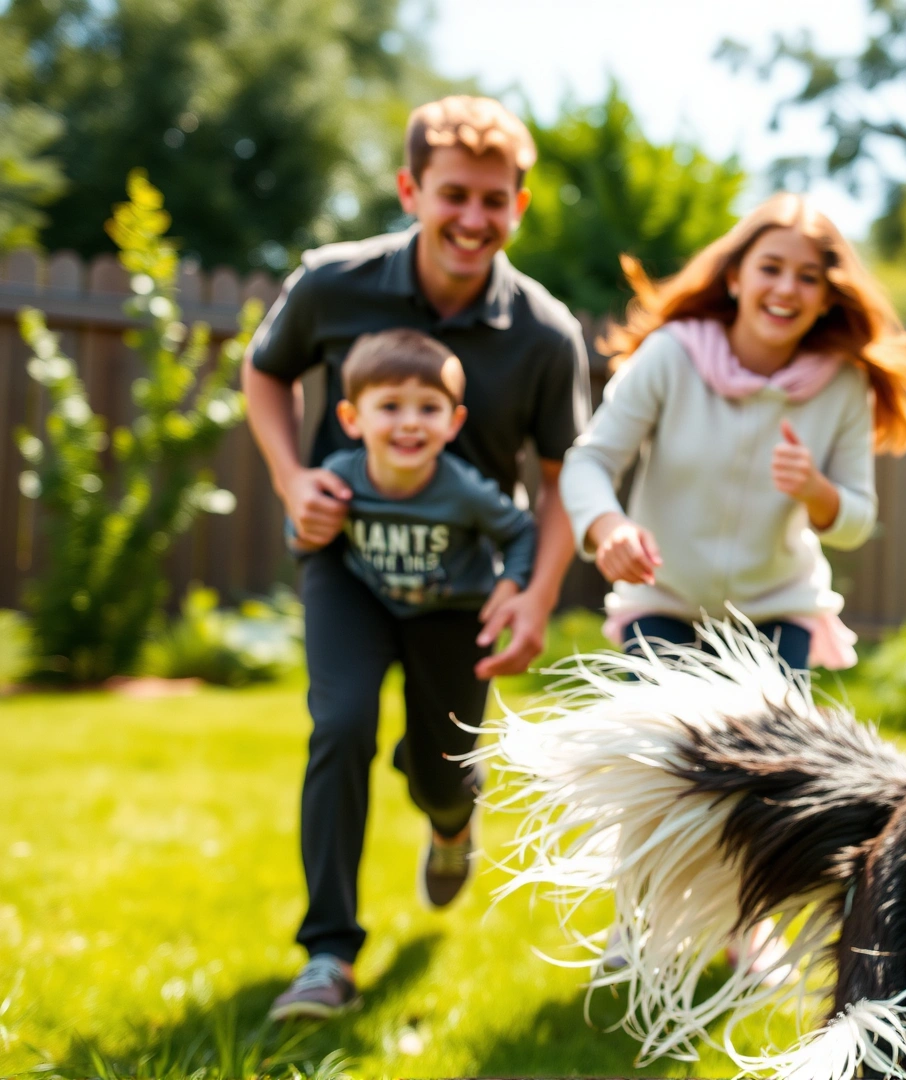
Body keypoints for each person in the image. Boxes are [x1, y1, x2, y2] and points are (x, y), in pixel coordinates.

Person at [242, 96, 588, 1020]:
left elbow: (563, 481)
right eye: (453, 196)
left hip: (465, 591)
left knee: (441, 767)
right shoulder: (331, 284)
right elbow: (264, 369)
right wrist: (290, 481)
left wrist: (535, 591)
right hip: (346, 563)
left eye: (494, 200)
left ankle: (449, 819)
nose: (473, 220)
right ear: (410, 189)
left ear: (519, 203)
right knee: (341, 725)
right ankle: (327, 956)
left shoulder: (545, 334)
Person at [561, 193, 906, 674]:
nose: (787, 288)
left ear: (827, 297)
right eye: (770, 268)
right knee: (663, 748)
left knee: (772, 752)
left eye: (808, 277)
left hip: (777, 612)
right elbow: (589, 461)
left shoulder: (843, 385)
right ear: (734, 277)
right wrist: (609, 527)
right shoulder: (670, 356)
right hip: (663, 602)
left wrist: (816, 491)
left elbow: (857, 520)